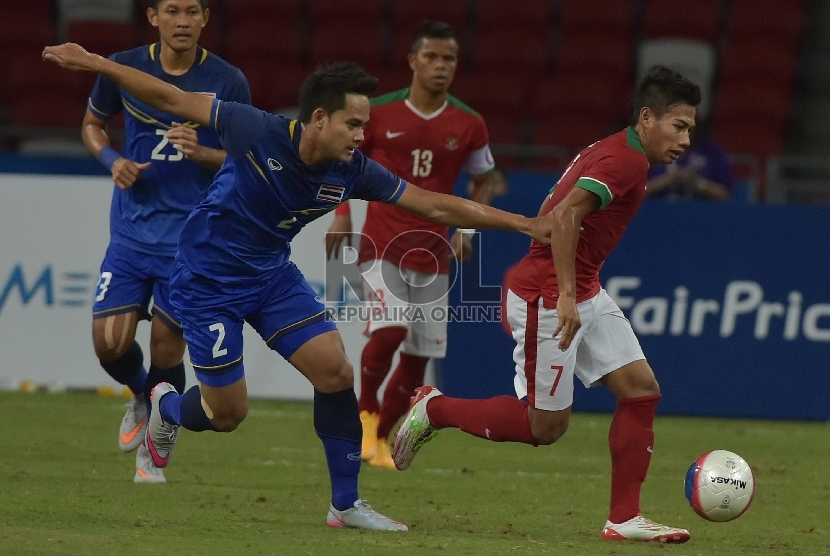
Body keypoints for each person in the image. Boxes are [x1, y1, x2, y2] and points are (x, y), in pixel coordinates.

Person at [43, 42, 551, 530]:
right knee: (227, 414)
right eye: (353, 124)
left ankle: (345, 504)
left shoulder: (352, 170)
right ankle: (166, 407)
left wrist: (522, 224)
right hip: (205, 282)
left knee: (334, 370)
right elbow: (170, 97)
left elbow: (435, 204)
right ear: (320, 119)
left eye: (365, 125)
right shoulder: (256, 129)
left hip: (271, 276)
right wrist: (93, 62)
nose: (360, 135)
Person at [392, 65, 701, 543]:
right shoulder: (628, 161)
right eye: (678, 127)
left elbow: (563, 216)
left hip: (579, 287)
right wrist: (565, 295)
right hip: (548, 295)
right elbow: (566, 215)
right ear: (647, 118)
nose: (684, 140)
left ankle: (623, 519)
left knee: (641, 391)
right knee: (546, 427)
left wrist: (577, 290)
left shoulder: (617, 148)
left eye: (690, 130)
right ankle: (435, 409)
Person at [324, 20, 508, 470]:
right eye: (432, 57)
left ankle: (383, 438)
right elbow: (345, 161)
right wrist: (343, 214)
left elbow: (487, 180)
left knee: (419, 354)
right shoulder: (380, 112)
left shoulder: (469, 123)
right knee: (390, 331)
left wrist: (468, 228)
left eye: (449, 59)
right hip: (383, 242)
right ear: (412, 61)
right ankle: (365, 415)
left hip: (435, 251)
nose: (441, 66)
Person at [81, 0, 250, 484]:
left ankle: (154, 452)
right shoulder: (124, 67)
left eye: (192, 11)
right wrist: (112, 159)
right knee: (109, 343)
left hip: (191, 243)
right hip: (133, 235)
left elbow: (252, 159)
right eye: (172, 10)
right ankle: (140, 394)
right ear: (153, 16)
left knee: (167, 350)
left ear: (205, 19)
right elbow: (92, 126)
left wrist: (204, 153)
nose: (183, 21)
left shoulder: (227, 80)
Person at [644, 119, 733, 200]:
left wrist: (697, 182)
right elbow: (636, 193)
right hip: (657, 212)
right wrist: (668, 179)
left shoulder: (711, 152)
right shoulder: (654, 150)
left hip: (700, 213)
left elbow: (725, 195)